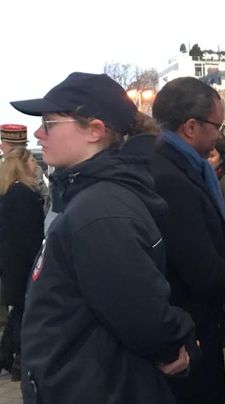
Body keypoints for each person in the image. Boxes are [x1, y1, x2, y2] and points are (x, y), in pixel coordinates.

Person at [10, 72, 196, 403]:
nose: (38, 134)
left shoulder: (100, 210)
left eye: (50, 123)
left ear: (95, 131)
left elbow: (142, 315)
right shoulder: (89, 198)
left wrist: (179, 337)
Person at [151, 76, 225, 404]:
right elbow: (201, 270)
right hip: (188, 334)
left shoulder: (181, 166)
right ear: (190, 127)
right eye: (217, 125)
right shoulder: (171, 178)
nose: (220, 134)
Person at [0, 149, 44, 381]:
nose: (36, 165)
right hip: (23, 263)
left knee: (18, 310)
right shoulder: (24, 194)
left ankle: (7, 357)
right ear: (24, 163)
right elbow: (30, 234)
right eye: (32, 160)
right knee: (22, 312)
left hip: (12, 261)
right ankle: (18, 360)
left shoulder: (9, 191)